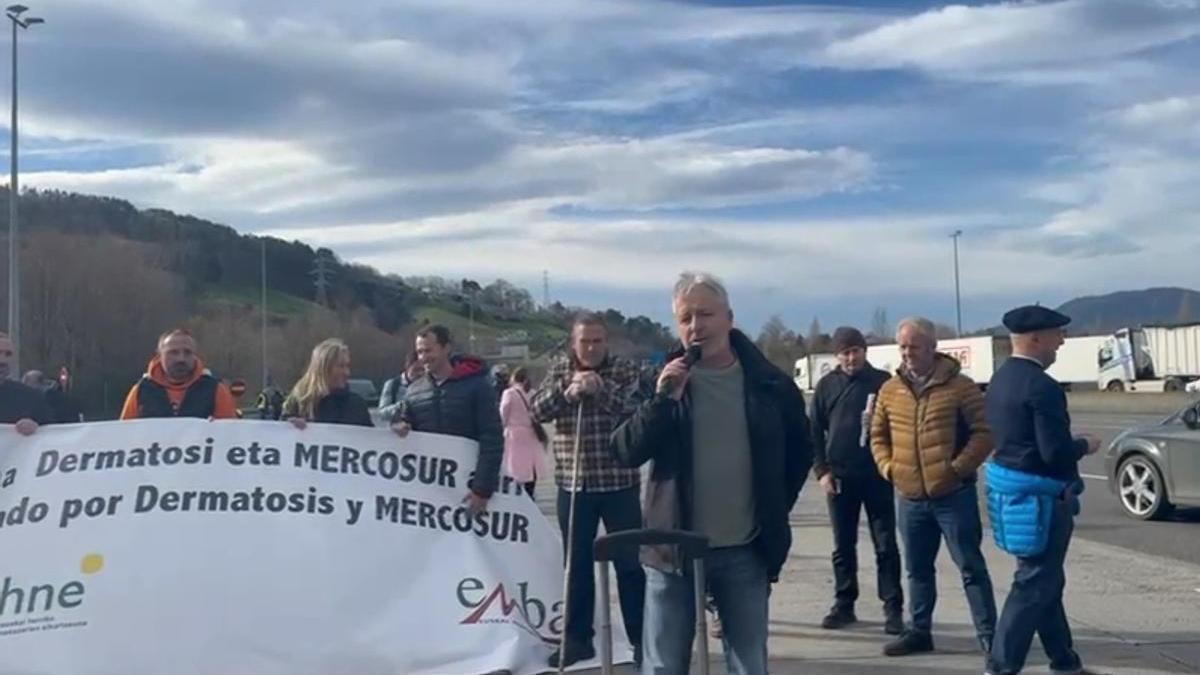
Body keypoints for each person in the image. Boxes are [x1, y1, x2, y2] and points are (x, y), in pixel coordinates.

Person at [612, 271, 812, 675]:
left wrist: (771, 506)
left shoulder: (768, 382)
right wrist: (661, 401)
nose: (696, 325)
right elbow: (625, 451)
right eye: (685, 317)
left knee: (748, 664)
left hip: (745, 549)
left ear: (729, 318)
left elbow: (800, 453)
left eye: (706, 313)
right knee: (664, 665)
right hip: (671, 551)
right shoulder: (659, 381)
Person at [984, 306, 1103, 675]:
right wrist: (1084, 445)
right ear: (1035, 339)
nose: (1061, 342)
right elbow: (1054, 454)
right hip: (1043, 500)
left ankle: (1065, 661)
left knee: (1045, 580)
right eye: (1056, 335)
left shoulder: (1000, 380)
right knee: (1033, 583)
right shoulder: (1043, 387)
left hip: (1012, 495)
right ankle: (1000, 667)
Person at [870, 316, 997, 657]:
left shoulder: (961, 387)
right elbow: (877, 436)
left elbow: (984, 433)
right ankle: (919, 632)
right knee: (917, 570)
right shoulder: (889, 390)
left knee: (971, 568)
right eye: (902, 346)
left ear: (931, 347)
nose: (907, 353)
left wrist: (957, 469)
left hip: (953, 497)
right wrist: (889, 468)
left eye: (914, 346)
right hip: (909, 498)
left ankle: (991, 637)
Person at [530, 313, 646, 668]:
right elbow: (536, 409)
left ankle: (643, 640)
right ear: (573, 343)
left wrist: (601, 389)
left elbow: (636, 409)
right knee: (576, 565)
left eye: (597, 341)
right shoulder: (559, 368)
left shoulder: (624, 370)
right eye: (585, 341)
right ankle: (578, 639)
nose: (591, 348)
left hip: (618, 483)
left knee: (629, 564)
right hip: (573, 484)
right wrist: (567, 393)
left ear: (606, 343)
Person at [811, 327, 904, 635]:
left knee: (886, 545)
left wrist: (892, 466)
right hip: (840, 478)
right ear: (837, 355)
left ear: (865, 351)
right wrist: (822, 471)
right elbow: (814, 433)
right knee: (843, 546)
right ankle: (844, 604)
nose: (851, 358)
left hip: (877, 476)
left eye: (856, 351)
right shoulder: (826, 386)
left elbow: (897, 428)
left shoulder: (882, 383)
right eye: (845, 352)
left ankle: (893, 608)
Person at [390, 325, 503, 516]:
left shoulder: (478, 387)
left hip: (471, 492)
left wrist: (482, 490)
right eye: (419, 352)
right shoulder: (414, 391)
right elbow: (404, 425)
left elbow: (492, 438)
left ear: (446, 348)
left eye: (428, 350)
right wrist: (399, 425)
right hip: (432, 496)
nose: (423, 357)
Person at [119, 329, 239, 420]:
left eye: (187, 352)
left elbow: (230, 435)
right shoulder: (141, 391)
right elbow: (125, 436)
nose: (181, 359)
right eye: (173, 353)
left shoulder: (216, 390)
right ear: (159, 355)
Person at [283, 339, 374, 428]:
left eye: (347, 366)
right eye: (340, 366)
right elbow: (279, 436)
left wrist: (387, 435)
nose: (347, 372)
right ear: (323, 368)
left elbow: (371, 439)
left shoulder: (357, 405)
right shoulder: (299, 402)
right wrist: (289, 426)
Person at [499, 366, 547, 500]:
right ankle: (530, 493)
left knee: (515, 468)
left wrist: (502, 428)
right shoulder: (533, 392)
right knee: (531, 467)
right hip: (532, 433)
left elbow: (503, 414)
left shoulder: (509, 393)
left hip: (515, 435)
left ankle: (517, 496)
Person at [0, 332, 50, 435]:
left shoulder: (31, 398)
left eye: (8, 354)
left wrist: (37, 428)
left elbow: (53, 434)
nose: (3, 360)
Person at [378, 352, 420, 423]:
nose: (420, 374)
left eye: (423, 370)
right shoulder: (393, 385)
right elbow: (382, 414)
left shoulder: (428, 385)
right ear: (407, 367)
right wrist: (401, 406)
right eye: (416, 370)